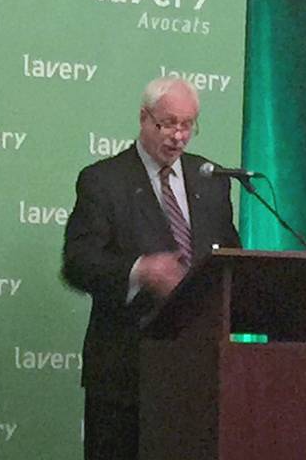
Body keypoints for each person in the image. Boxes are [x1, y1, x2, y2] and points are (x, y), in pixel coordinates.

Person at [62, 77, 241, 459]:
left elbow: (231, 260)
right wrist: (139, 270)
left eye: (188, 125)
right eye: (168, 123)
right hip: (124, 374)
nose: (179, 136)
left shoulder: (211, 180)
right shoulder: (103, 181)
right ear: (144, 118)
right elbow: (78, 263)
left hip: (199, 372)